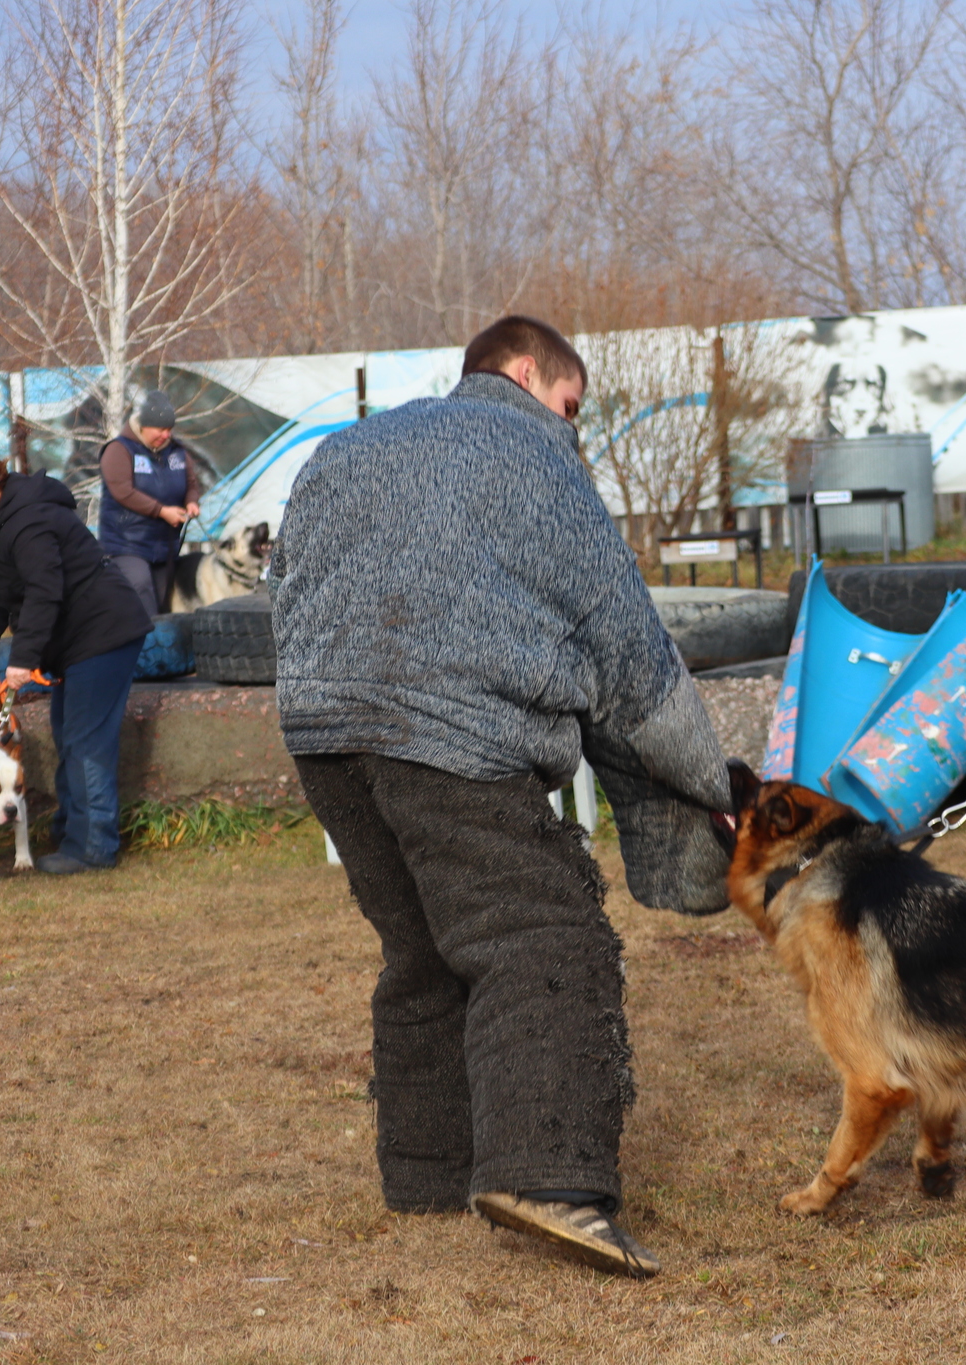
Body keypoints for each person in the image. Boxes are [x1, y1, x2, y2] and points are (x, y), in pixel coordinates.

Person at [270, 315, 734, 1279]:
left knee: (426, 948)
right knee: (542, 937)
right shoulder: (539, 460)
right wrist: (711, 783)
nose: (571, 428)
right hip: (455, 737)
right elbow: (630, 652)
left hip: (324, 736)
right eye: (570, 406)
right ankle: (547, 1177)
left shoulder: (346, 448)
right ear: (527, 374)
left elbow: (288, 587)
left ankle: (429, 1172)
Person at [0, 442, 152, 875]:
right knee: (69, 735)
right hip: (80, 641)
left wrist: (23, 657)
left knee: (86, 743)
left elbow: (43, 590)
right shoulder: (9, 520)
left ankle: (92, 849)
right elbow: (8, 584)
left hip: (101, 636)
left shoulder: (30, 522)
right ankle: (70, 830)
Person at [99, 389, 201, 619]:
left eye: (169, 430)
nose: (166, 435)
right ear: (143, 426)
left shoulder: (178, 452)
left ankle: (164, 651)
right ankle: (145, 651)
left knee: (165, 601)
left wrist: (192, 502)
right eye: (160, 429)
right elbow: (122, 492)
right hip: (126, 545)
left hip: (165, 546)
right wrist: (161, 511)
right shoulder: (119, 449)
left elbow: (192, 483)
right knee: (141, 592)